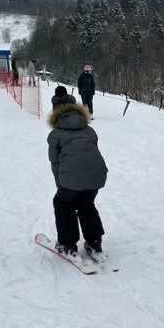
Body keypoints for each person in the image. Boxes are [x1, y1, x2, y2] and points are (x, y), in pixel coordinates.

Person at [47, 85, 108, 260]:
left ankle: (67, 245)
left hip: (71, 178)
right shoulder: (89, 130)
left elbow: (55, 162)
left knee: (63, 204)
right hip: (97, 176)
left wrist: (61, 184)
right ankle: (94, 243)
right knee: (86, 204)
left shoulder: (55, 135)